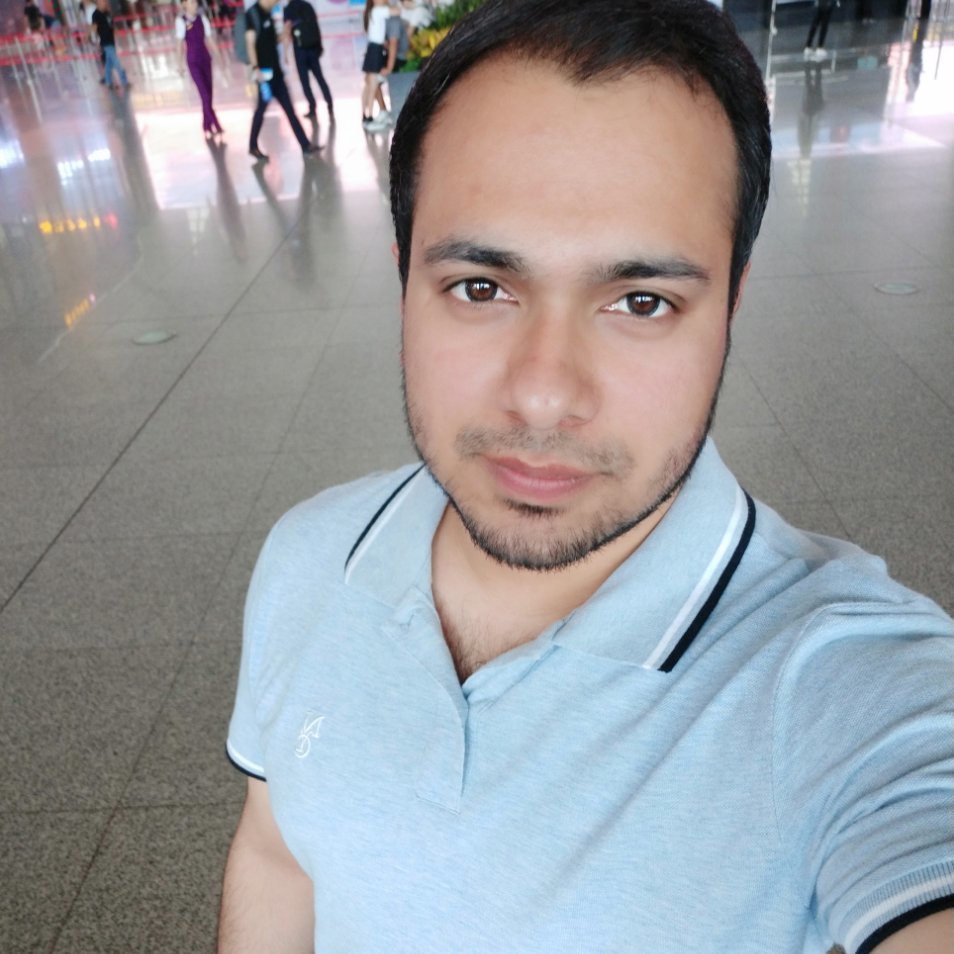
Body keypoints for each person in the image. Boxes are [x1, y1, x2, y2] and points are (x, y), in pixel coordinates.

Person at [218, 1, 954, 952]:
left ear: (731, 305)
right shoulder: (310, 556)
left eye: (641, 301)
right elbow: (279, 852)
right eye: (481, 288)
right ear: (403, 281)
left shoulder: (850, 689)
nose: (543, 395)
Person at [245, 0, 320, 161]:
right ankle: (252, 145)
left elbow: (273, 40)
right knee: (261, 110)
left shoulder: (269, 14)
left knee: (290, 110)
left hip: (277, 73)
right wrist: (256, 68)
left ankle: (305, 145)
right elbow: (250, 44)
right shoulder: (253, 14)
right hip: (264, 75)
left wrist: (285, 33)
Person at [176, 0, 223, 138]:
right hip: (193, 61)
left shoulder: (202, 19)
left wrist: (219, 56)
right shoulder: (181, 21)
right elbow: (179, 43)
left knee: (209, 93)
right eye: (191, 2)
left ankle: (206, 124)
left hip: (205, 59)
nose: (194, 5)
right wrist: (179, 64)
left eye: (195, 2)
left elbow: (209, 39)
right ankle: (215, 122)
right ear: (184, 4)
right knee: (204, 94)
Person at [282, 0, 334, 122]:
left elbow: (287, 29)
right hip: (312, 48)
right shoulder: (307, 6)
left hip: (300, 50)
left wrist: (285, 52)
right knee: (320, 78)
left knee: (305, 82)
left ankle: (312, 107)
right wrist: (319, 45)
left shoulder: (288, 9)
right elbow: (315, 26)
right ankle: (329, 103)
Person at [360, 0, 391, 128]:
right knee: (372, 84)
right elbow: (397, 11)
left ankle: (365, 115)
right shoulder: (379, 10)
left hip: (372, 49)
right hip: (376, 50)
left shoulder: (371, 11)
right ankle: (369, 117)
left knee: (368, 83)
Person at [90, 0, 129, 90]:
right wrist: (93, 39)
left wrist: (117, 32)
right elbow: (94, 28)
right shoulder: (95, 14)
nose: (105, 3)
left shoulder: (107, 13)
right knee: (116, 62)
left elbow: (111, 25)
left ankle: (108, 82)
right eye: (103, 1)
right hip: (105, 42)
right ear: (98, 2)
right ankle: (124, 81)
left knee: (108, 64)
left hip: (111, 41)